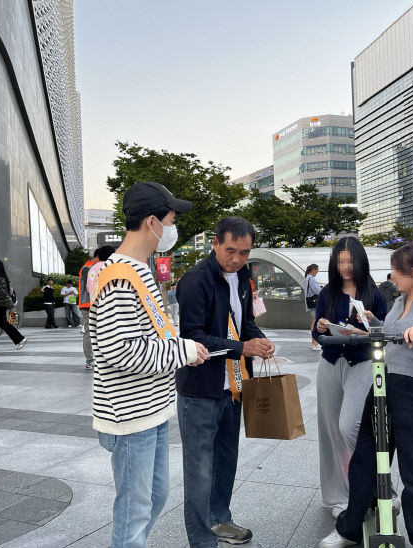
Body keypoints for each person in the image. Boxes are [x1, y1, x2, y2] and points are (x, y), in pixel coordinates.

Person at [90, 181, 208, 548]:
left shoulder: (138, 269)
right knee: (135, 508)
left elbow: (149, 334)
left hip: (151, 408)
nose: (173, 229)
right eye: (172, 220)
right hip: (128, 414)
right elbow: (119, 350)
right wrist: (183, 351)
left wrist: (177, 346)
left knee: (152, 498)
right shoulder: (119, 276)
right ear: (153, 222)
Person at [319, 243, 413, 548]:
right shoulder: (400, 302)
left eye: (397, 270)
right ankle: (349, 530)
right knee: (364, 461)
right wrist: (374, 324)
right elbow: (393, 335)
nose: (393, 276)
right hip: (384, 388)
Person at [176, 216, 275, 548]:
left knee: (226, 459)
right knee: (200, 469)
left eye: (244, 253)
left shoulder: (242, 277)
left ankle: (220, 519)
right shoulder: (195, 280)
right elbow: (192, 338)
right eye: (230, 250)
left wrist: (259, 340)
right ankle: (202, 539)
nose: (236, 259)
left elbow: (244, 322)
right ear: (214, 242)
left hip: (233, 386)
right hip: (200, 390)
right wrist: (240, 347)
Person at [313, 236, 387, 519]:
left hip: (362, 363)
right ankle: (339, 496)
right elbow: (316, 335)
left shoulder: (373, 293)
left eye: (350, 261)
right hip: (331, 362)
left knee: (350, 427)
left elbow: (383, 331)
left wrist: (368, 327)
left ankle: (374, 484)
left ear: (360, 261)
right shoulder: (327, 293)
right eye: (340, 261)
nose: (345, 267)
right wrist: (320, 327)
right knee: (330, 433)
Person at [79, 246, 115, 369]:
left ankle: (95, 359)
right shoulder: (90, 267)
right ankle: (90, 360)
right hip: (89, 303)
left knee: (93, 332)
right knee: (90, 332)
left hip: (91, 303)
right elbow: (91, 288)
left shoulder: (89, 267)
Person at [305, 264, 322, 350]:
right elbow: (318, 291)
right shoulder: (311, 279)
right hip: (314, 303)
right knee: (315, 323)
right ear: (314, 270)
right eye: (317, 271)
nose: (317, 273)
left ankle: (313, 343)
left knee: (313, 322)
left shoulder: (307, 278)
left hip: (310, 303)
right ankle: (314, 343)